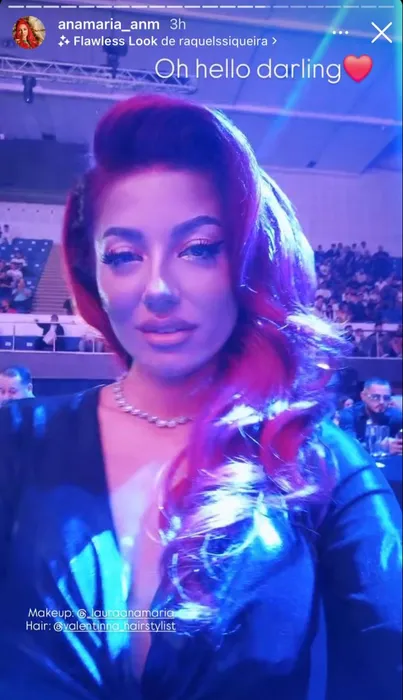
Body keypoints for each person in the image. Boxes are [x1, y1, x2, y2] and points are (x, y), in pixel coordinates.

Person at [0, 95, 401, 700]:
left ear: (249, 264)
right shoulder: (16, 440)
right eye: (124, 256)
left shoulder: (318, 460)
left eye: (198, 248)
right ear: (92, 275)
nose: (158, 289)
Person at [340, 378, 403, 454]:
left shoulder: (395, 415)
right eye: (375, 397)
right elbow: (348, 446)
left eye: (386, 398)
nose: (382, 402)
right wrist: (379, 447)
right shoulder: (350, 414)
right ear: (363, 396)